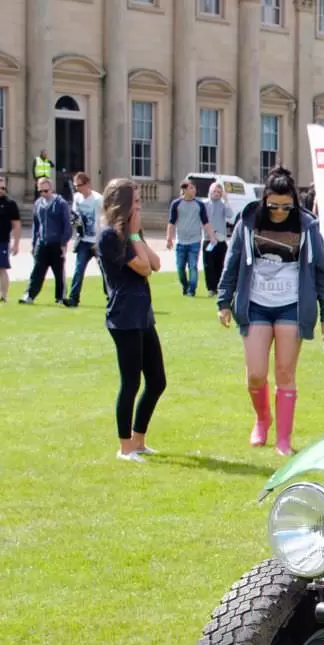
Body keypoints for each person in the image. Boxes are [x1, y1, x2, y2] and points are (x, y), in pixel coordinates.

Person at [217, 167, 324, 456]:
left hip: (291, 306)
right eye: (274, 206)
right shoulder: (249, 221)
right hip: (255, 305)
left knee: (285, 371)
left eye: (286, 206)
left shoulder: (306, 225)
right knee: (256, 373)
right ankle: (262, 418)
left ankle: (284, 438)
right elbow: (232, 262)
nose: (280, 212)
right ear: (264, 201)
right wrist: (223, 300)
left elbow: (320, 270)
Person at [97, 178, 165, 461]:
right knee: (131, 383)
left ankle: (139, 440)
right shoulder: (109, 237)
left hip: (143, 316)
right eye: (135, 202)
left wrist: (136, 235)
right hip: (124, 317)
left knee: (157, 381)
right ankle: (125, 447)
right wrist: (135, 237)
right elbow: (143, 268)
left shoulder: (132, 234)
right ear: (121, 204)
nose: (139, 206)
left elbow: (157, 264)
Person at [21, 176, 73, 305]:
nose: (43, 194)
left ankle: (60, 297)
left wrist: (63, 243)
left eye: (46, 191)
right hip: (42, 242)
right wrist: (34, 243)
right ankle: (29, 295)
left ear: (51, 189)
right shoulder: (38, 203)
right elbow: (36, 225)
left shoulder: (60, 203)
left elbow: (67, 225)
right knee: (37, 270)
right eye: (41, 191)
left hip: (57, 243)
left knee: (58, 271)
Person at [166, 180, 215, 297]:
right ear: (184, 190)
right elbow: (171, 222)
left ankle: (191, 291)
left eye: (194, 188)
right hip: (180, 241)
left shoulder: (199, 205)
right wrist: (169, 238)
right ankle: (185, 285)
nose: (194, 190)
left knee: (193, 266)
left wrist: (212, 236)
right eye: (191, 188)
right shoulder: (176, 204)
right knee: (180, 268)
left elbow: (205, 222)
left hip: (195, 241)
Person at [66, 172, 104, 308]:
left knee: (104, 270)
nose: (78, 188)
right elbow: (76, 216)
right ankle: (73, 298)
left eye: (80, 185)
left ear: (87, 184)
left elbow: (105, 218)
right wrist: (75, 223)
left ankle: (111, 296)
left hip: (97, 240)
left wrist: (101, 238)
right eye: (76, 186)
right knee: (78, 269)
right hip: (83, 239)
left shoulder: (98, 199)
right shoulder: (77, 198)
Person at [201, 182, 234, 296]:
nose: (216, 194)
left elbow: (230, 215)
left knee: (221, 264)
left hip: (220, 239)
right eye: (214, 191)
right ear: (210, 191)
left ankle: (220, 287)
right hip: (208, 239)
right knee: (208, 265)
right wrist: (210, 233)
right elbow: (201, 220)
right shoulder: (204, 204)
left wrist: (226, 200)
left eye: (219, 192)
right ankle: (211, 288)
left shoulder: (223, 204)